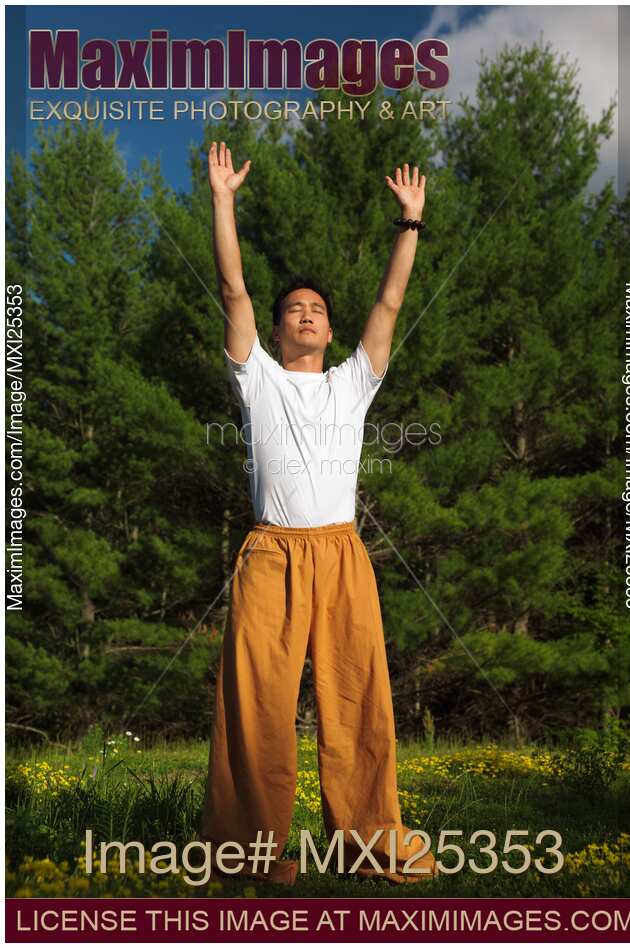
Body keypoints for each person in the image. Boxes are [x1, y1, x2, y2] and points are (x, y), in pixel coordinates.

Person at [200, 140, 438, 887]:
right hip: (271, 554)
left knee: (358, 697)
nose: (306, 314)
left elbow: (391, 303)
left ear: (330, 333)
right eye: (293, 309)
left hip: (340, 554)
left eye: (317, 311)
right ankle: (249, 848)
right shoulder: (259, 379)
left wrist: (411, 224)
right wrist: (223, 200)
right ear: (274, 333)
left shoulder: (352, 383)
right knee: (257, 705)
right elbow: (234, 289)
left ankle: (368, 838)